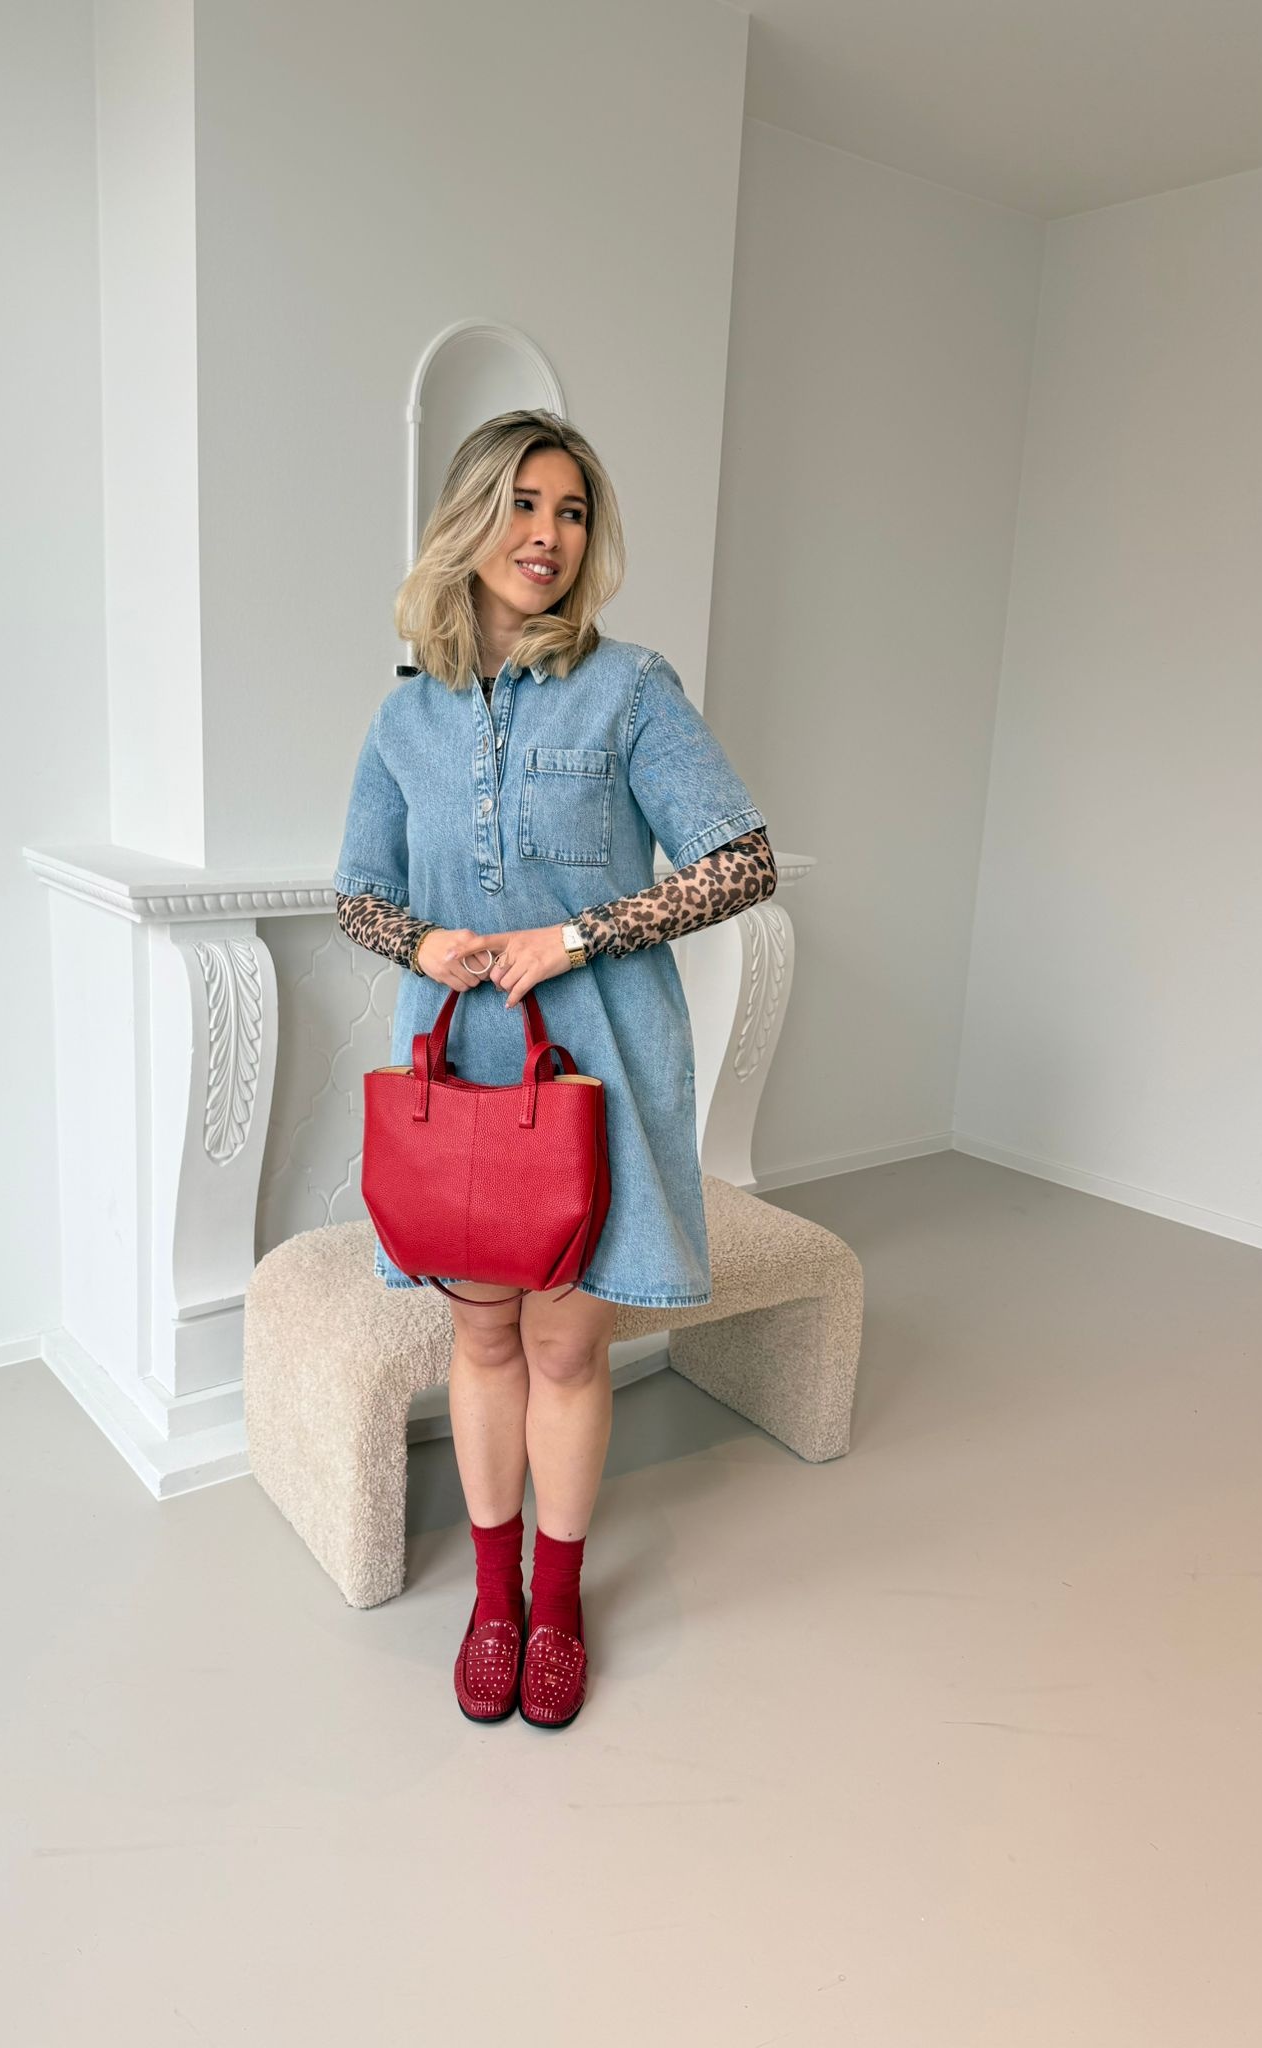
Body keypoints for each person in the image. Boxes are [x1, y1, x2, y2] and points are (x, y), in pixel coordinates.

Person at [333, 409, 776, 1728]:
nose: (548, 535)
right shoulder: (404, 719)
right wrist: (423, 940)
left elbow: (740, 861)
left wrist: (575, 936)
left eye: (571, 512)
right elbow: (355, 892)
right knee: (482, 1333)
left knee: (568, 1350)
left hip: (602, 1070)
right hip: (460, 1076)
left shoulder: (629, 688)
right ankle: (492, 1598)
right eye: (523, 505)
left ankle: (560, 1601)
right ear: (470, 522)